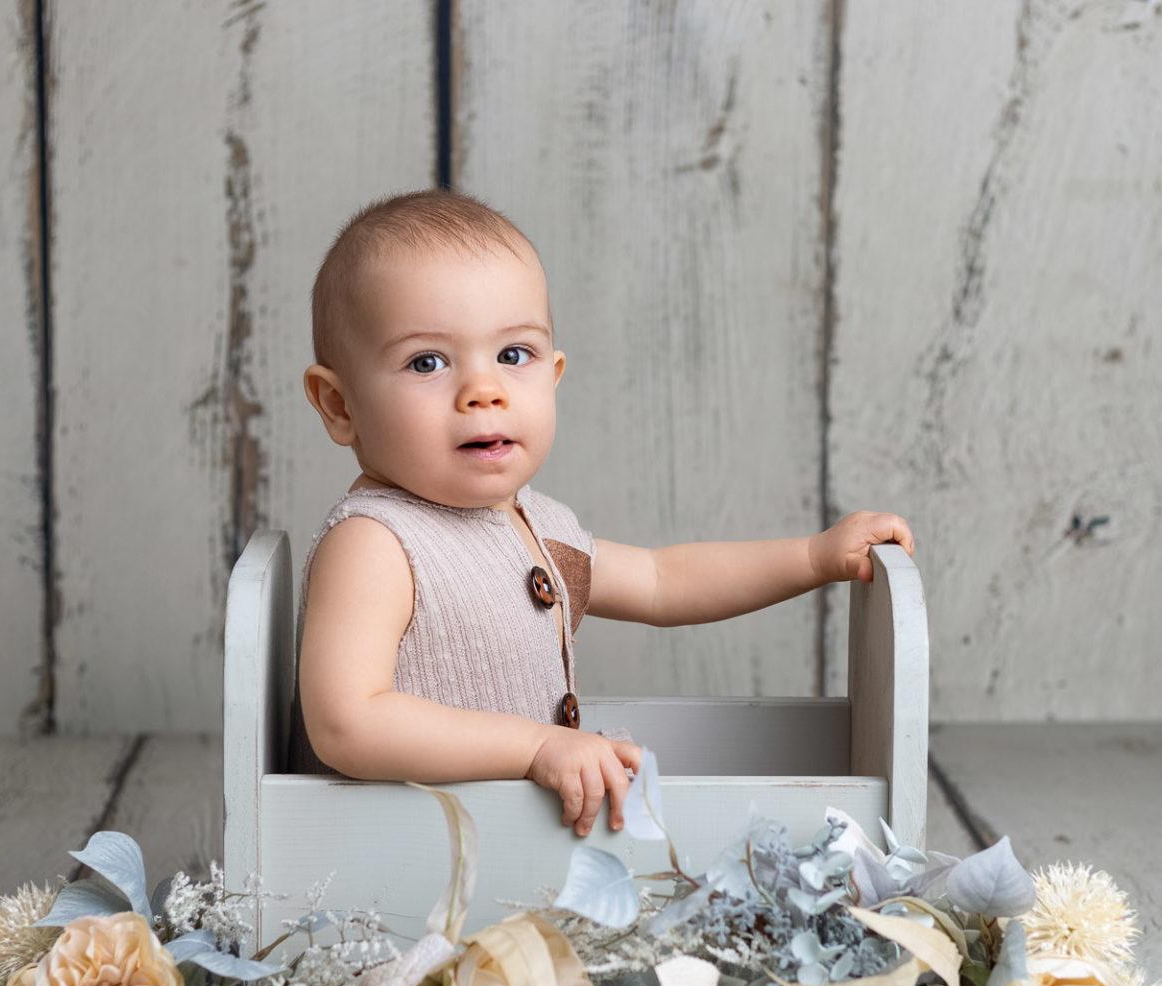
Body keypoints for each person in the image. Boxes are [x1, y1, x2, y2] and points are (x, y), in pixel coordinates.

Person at [287, 189, 914, 838]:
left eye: (513, 355)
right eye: (427, 362)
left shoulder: (539, 525)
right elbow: (347, 722)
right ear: (339, 405)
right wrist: (533, 748)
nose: (483, 391)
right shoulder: (375, 545)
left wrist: (811, 558)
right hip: (394, 852)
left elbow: (663, 581)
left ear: (552, 374)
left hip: (503, 854)